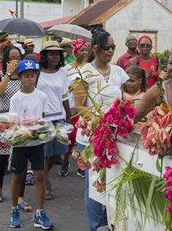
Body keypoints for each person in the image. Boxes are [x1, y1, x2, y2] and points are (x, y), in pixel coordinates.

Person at [74, 29, 129, 231]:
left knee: (113, 181)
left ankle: (111, 224)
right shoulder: (83, 72)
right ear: (96, 49)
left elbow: (125, 101)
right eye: (108, 47)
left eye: (114, 47)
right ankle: (96, 226)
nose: (112, 51)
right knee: (95, 184)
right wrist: (99, 123)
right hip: (91, 137)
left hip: (115, 136)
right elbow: (78, 107)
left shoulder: (119, 72)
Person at [8, 59, 54, 229]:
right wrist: (25, 129)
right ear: (20, 77)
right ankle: (14, 210)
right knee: (17, 176)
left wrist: (42, 128)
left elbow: (44, 118)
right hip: (20, 143)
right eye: (26, 76)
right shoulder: (16, 98)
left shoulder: (42, 96)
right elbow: (13, 123)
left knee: (40, 176)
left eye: (33, 76)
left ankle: (40, 213)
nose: (30, 79)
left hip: (37, 143)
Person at [0, 46, 30, 209]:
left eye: (18, 58)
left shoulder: (24, 77)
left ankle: (20, 196)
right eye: (11, 58)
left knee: (21, 159)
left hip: (20, 121)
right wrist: (8, 73)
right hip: (3, 120)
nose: (15, 61)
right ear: (5, 60)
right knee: (1, 158)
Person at [36, 41, 71, 199]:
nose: (55, 56)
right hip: (42, 119)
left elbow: (65, 96)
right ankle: (45, 183)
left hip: (59, 117)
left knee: (58, 153)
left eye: (57, 54)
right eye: (51, 53)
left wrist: (69, 116)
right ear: (44, 55)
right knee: (44, 153)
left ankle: (43, 175)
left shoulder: (63, 72)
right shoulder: (37, 72)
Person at [62, 38, 90, 178]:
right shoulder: (67, 69)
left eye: (86, 49)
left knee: (82, 138)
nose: (84, 52)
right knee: (70, 137)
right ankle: (65, 161)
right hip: (71, 107)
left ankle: (81, 165)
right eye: (81, 50)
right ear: (75, 52)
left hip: (85, 108)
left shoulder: (90, 68)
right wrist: (70, 87)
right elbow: (63, 88)